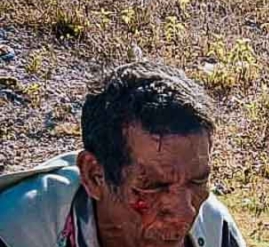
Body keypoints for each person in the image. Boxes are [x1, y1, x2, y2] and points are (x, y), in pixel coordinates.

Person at [0, 61, 246, 247]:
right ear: (95, 176)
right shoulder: (15, 231)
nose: (186, 213)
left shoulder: (215, 230)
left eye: (198, 180)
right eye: (155, 185)